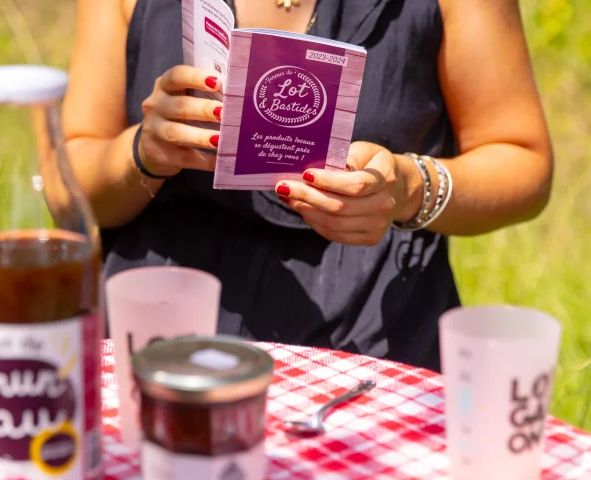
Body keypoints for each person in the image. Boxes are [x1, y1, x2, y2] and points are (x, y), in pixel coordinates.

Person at [62, 0, 552, 372]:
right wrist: (143, 154)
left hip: (369, 350)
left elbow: (522, 160)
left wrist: (408, 187)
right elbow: (68, 191)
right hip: (156, 341)